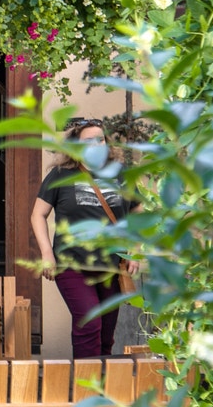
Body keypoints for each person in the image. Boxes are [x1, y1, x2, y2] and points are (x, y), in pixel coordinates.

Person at [30, 118, 135, 357]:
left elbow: (138, 211)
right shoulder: (60, 174)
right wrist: (47, 254)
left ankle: (102, 384)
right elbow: (38, 215)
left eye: (101, 139)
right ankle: (85, 388)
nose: (97, 144)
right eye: (89, 140)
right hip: (71, 264)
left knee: (106, 333)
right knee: (89, 324)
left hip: (112, 266)